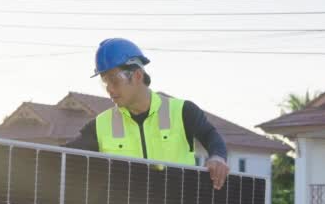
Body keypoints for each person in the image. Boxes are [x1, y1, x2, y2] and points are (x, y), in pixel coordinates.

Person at [67, 37, 230, 189]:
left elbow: (211, 136)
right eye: (105, 82)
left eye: (114, 80)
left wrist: (217, 157)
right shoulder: (100, 125)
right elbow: (63, 156)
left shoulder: (182, 111)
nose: (109, 89)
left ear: (137, 75)